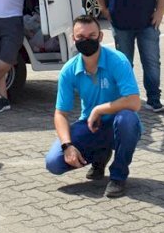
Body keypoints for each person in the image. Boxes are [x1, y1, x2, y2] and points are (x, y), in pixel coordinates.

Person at [45, 15, 142, 198]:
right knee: (54, 162)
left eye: (92, 36)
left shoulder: (118, 61)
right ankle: (100, 155)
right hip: (91, 126)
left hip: (117, 124)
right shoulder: (68, 70)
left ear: (101, 36)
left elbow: (134, 102)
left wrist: (99, 109)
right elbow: (60, 114)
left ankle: (118, 176)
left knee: (128, 120)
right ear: (73, 39)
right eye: (81, 37)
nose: (86, 40)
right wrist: (67, 146)